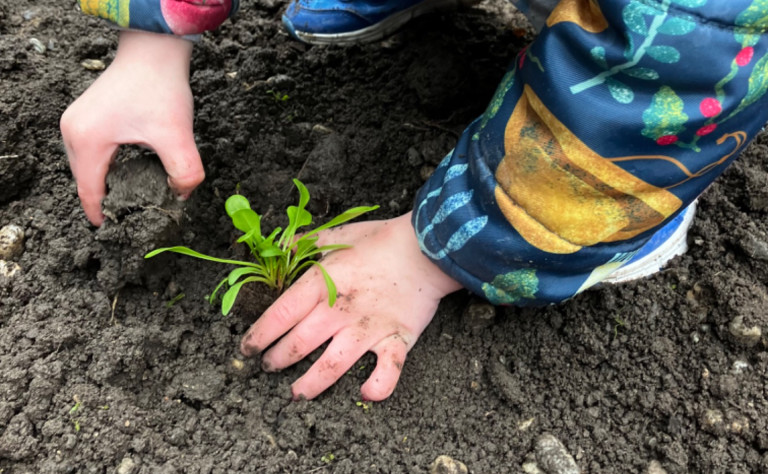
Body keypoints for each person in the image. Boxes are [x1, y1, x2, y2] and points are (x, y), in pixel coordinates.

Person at [62, 0, 768, 401]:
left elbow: (684, 57)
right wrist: (152, 39)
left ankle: (629, 219)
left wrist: (437, 251)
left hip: (669, 63)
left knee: (640, 106)